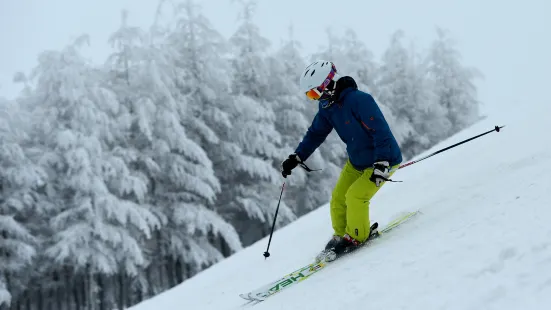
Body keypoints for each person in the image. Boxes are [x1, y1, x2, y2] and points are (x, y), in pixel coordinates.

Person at [281, 60, 403, 260]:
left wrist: (382, 163)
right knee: (338, 198)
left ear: (326, 84)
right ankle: (341, 236)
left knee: (356, 197)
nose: (313, 99)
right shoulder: (327, 107)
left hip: (383, 159)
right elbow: (315, 134)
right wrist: (297, 157)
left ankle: (357, 236)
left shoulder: (359, 100)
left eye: (313, 93)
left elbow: (380, 131)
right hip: (357, 161)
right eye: (309, 96)